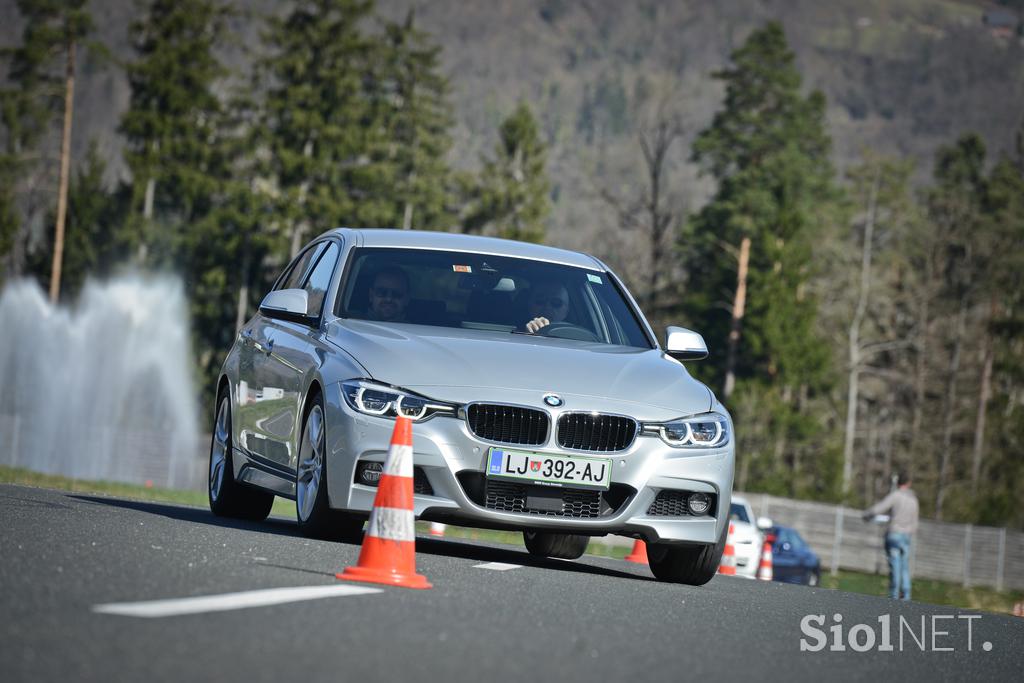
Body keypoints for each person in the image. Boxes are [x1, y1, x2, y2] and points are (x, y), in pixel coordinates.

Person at [863, 472, 919, 601]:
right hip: (906, 537)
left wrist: (868, 514)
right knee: (905, 567)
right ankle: (906, 597)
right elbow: (915, 523)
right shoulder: (913, 500)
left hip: (894, 534)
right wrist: (908, 531)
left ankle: (894, 597)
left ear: (898, 482)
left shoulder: (896, 496)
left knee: (895, 567)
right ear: (909, 483)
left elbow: (881, 507)